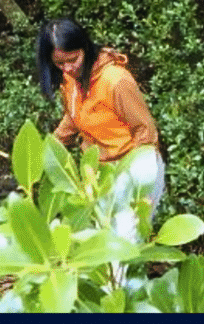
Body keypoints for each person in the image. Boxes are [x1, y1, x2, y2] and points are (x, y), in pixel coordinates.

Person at [36, 18, 165, 213]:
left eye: (72, 59)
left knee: (127, 239)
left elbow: (145, 132)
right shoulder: (71, 80)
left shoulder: (115, 80)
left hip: (132, 169)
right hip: (100, 173)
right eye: (59, 63)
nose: (67, 68)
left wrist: (141, 188)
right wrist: (48, 150)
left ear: (85, 49)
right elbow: (74, 116)